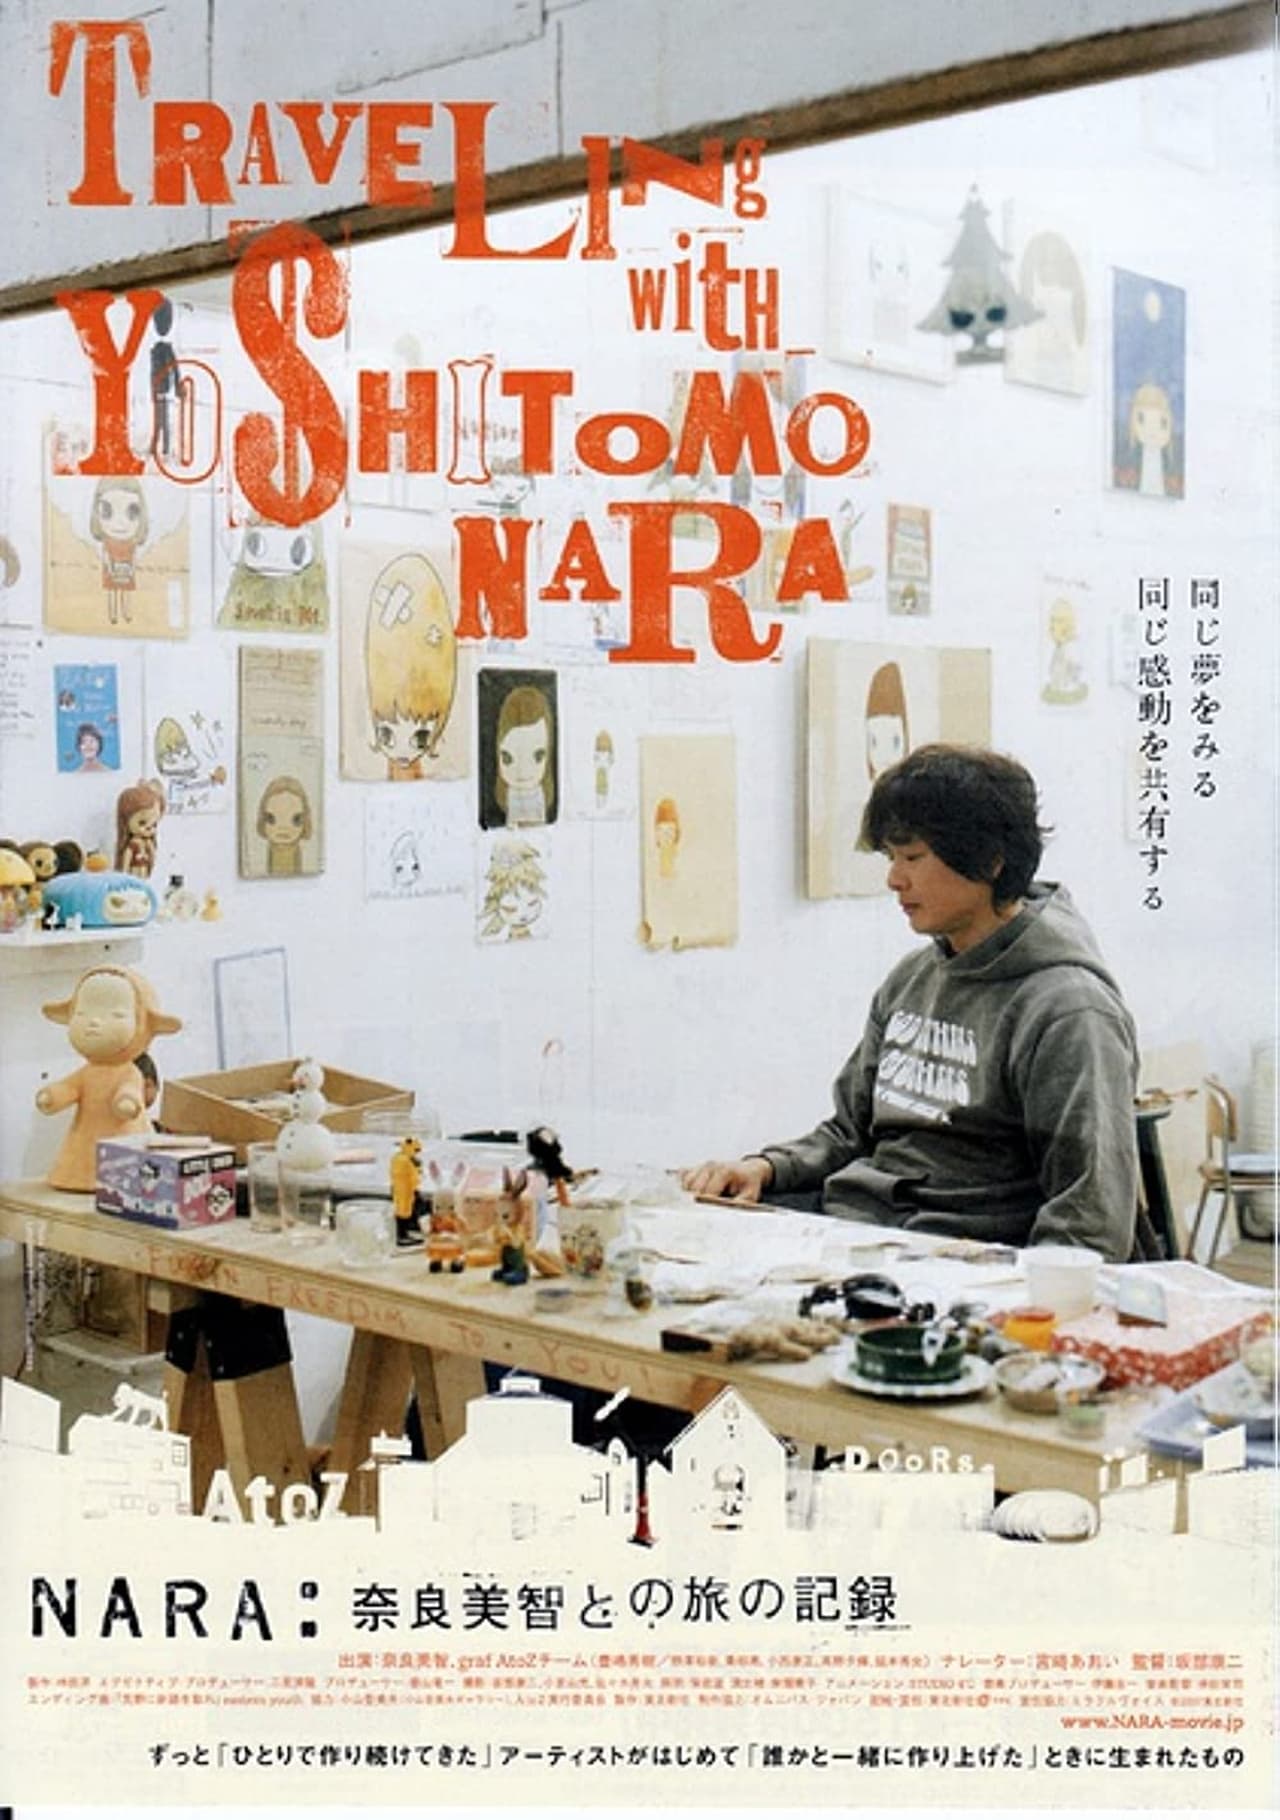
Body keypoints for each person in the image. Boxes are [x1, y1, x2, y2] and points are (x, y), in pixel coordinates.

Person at [683, 745, 1140, 1262]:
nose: (894, 879)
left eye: (913, 857)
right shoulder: (911, 979)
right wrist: (765, 1168)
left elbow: (1088, 1221)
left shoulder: (1069, 1011)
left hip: (963, 1264)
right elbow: (849, 1132)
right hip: (856, 1235)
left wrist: (1028, 1298)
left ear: (990, 860)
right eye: (891, 858)